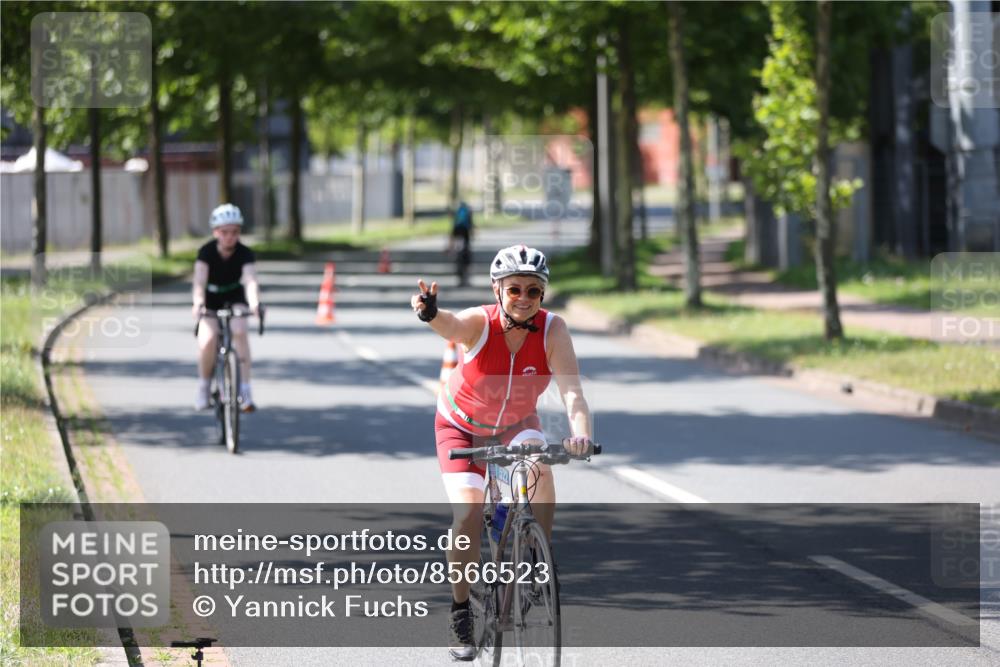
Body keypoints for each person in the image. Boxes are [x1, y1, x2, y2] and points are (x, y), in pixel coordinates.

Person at [410, 244, 592, 661]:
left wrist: (579, 433)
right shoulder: (480, 322)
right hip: (461, 428)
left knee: (541, 472)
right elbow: (450, 325)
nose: (524, 300)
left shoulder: (553, 330)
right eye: (515, 291)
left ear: (543, 294)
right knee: (468, 515)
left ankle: (535, 560)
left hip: (516, 425)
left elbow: (573, 394)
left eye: (533, 291)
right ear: (498, 290)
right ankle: (460, 612)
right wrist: (430, 313)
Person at [192, 203, 261, 412]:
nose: (230, 237)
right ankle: (204, 386)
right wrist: (198, 303)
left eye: (235, 232)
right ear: (216, 232)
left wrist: (255, 302)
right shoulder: (206, 252)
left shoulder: (244, 253)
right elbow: (199, 282)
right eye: (224, 232)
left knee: (239, 331)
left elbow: (250, 280)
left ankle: (245, 389)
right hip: (211, 298)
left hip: (234, 296)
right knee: (208, 339)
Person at [447, 200, 474, 286]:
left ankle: (459, 276)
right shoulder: (468, 213)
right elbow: (471, 227)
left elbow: (453, 228)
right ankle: (466, 278)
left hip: (457, 233)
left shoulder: (457, 214)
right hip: (465, 234)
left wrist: (450, 246)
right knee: (466, 257)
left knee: (458, 255)